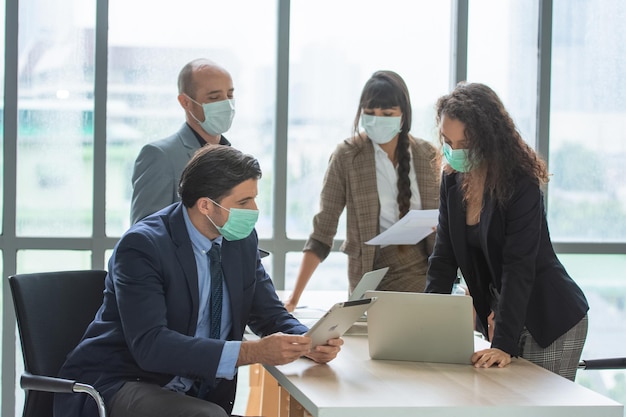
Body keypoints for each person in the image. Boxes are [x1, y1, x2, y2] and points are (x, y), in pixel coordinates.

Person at [54, 145, 343, 417]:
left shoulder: (239, 240)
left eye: (255, 198)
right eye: (243, 201)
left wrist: (308, 341)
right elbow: (152, 346)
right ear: (206, 205)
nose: (254, 210)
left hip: (195, 394)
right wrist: (253, 352)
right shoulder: (143, 247)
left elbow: (269, 313)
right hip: (122, 382)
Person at [425, 82, 589, 381]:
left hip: (548, 316)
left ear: (489, 140)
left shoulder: (519, 183)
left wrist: (503, 342)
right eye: (448, 142)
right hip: (505, 313)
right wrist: (428, 326)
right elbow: (444, 257)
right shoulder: (451, 180)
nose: (454, 152)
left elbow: (518, 265)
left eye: (465, 145)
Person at [284, 70, 440, 312]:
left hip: (425, 278)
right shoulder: (347, 156)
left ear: (403, 116)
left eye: (387, 114)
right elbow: (322, 233)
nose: (377, 120)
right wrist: (293, 299)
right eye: (370, 113)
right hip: (371, 278)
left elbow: (450, 224)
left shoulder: (428, 155)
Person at [130, 58, 235, 225]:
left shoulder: (233, 158)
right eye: (214, 97)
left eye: (229, 95)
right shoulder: (160, 156)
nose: (226, 104)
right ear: (185, 102)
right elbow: (145, 235)